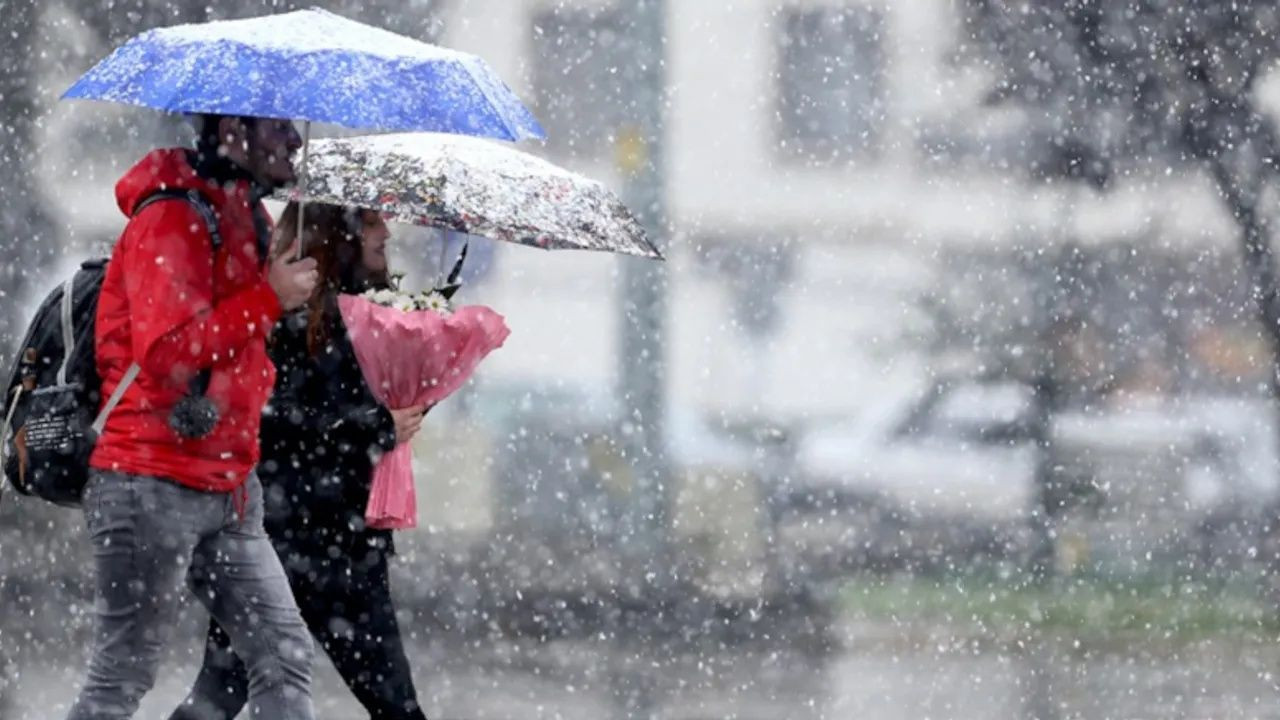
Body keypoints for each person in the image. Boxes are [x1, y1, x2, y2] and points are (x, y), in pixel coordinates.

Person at [68, 115, 319, 720]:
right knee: (122, 676)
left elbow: (244, 345)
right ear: (233, 129)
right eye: (278, 127)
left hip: (230, 485)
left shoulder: (246, 216)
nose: (295, 140)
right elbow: (166, 352)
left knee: (284, 658)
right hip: (148, 478)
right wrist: (269, 298)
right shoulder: (173, 217)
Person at [169, 202, 430, 720]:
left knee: (393, 706)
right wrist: (375, 425)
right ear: (340, 234)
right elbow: (271, 421)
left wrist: (414, 395)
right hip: (285, 543)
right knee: (219, 696)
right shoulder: (282, 317)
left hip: (341, 544)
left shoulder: (373, 315)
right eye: (373, 221)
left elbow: (351, 416)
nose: (386, 232)